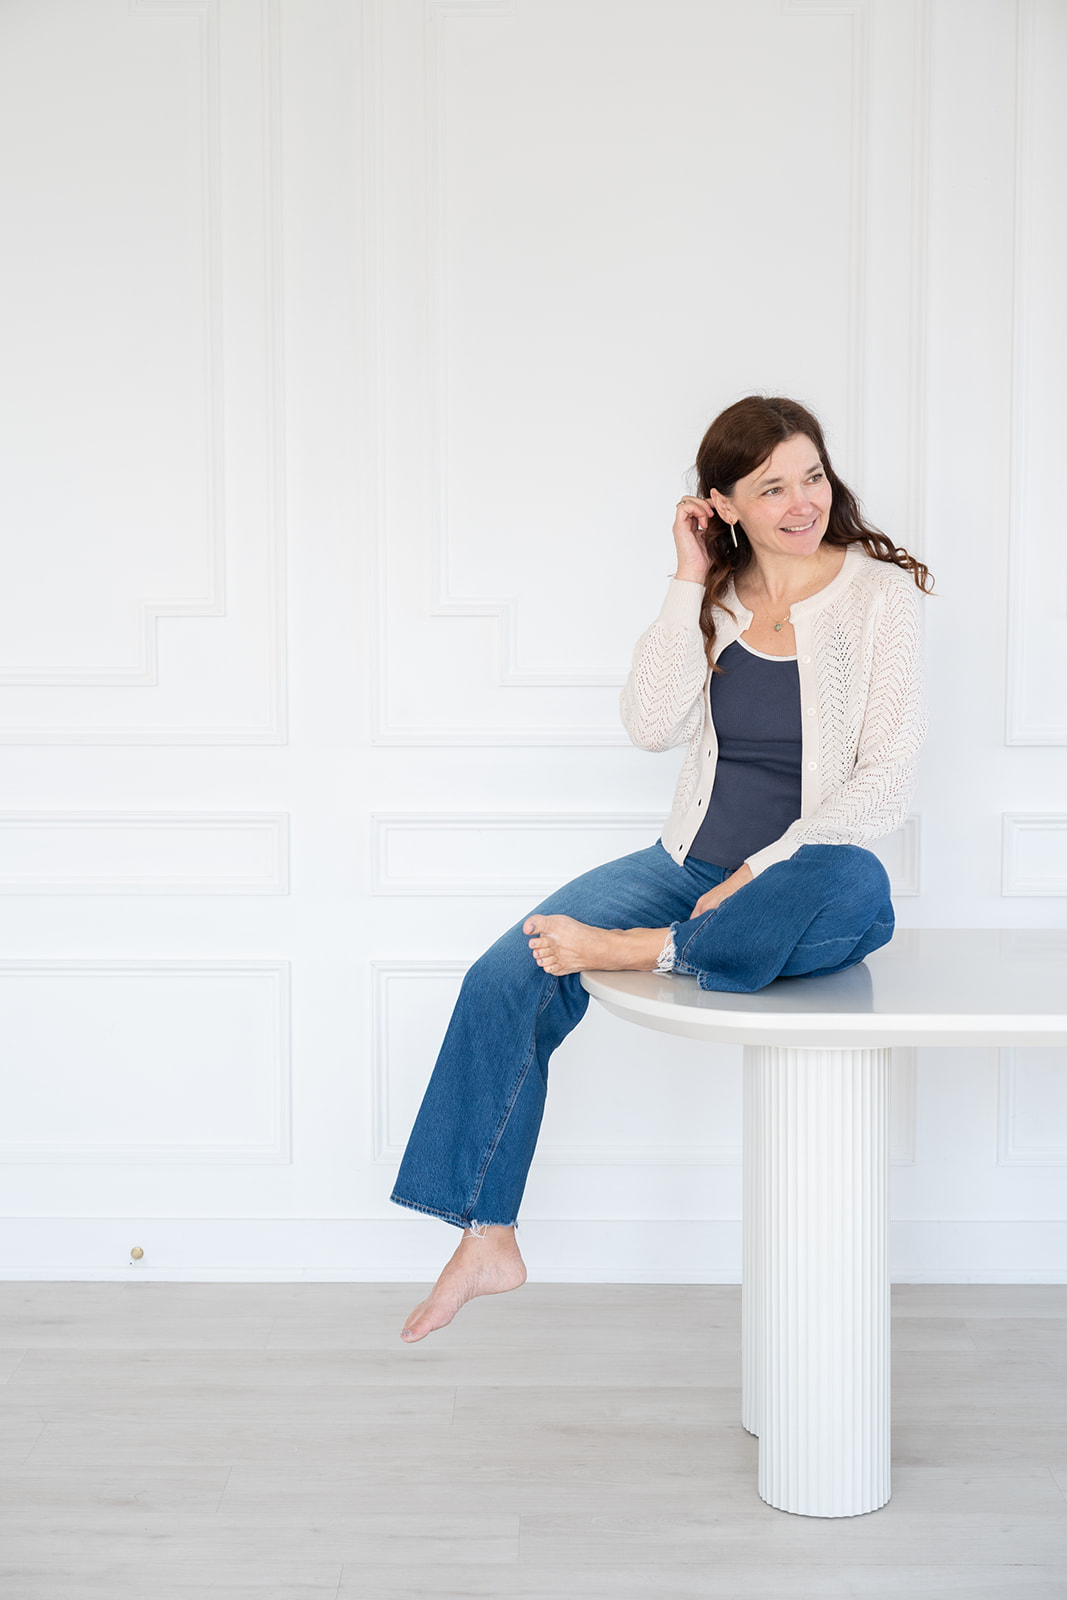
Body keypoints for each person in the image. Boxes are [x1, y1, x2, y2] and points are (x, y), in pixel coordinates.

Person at [392, 394, 933, 1343]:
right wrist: (686, 580)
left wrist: (756, 872)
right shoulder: (716, 598)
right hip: (682, 866)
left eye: (810, 476)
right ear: (722, 504)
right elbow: (650, 726)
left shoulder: (879, 599)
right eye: (771, 488)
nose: (802, 502)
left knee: (858, 884)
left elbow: (887, 778)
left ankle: (653, 949)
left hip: (798, 880)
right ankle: (486, 1235)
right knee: (505, 972)